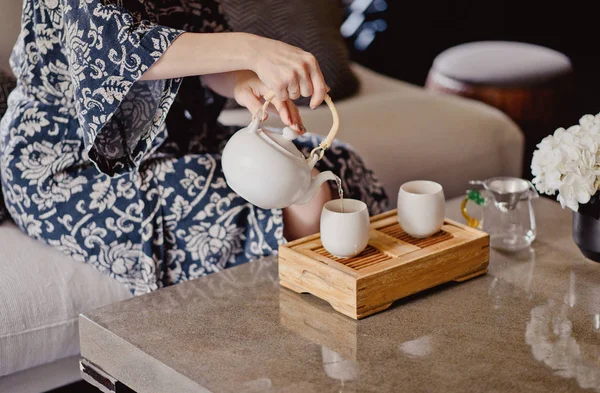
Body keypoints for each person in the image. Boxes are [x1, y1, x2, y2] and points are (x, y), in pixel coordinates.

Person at [0, 0, 388, 294]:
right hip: (66, 164)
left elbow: (200, 47)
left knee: (334, 160)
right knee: (221, 195)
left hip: (175, 139)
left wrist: (240, 80)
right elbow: (115, 49)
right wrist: (252, 49)